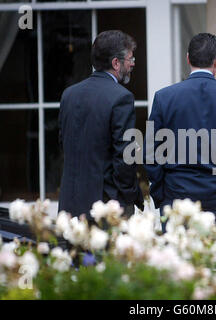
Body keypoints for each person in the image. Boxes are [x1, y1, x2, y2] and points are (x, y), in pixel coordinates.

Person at [144, 33, 216, 223]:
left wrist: (162, 196)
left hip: (176, 197)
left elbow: (151, 153)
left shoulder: (164, 97)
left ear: (188, 58)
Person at [58, 30, 144, 220]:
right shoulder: (122, 97)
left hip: (70, 205)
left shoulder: (69, 95)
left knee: (75, 251)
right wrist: (130, 196)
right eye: (130, 59)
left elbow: (64, 144)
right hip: (107, 207)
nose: (132, 64)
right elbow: (125, 157)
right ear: (116, 63)